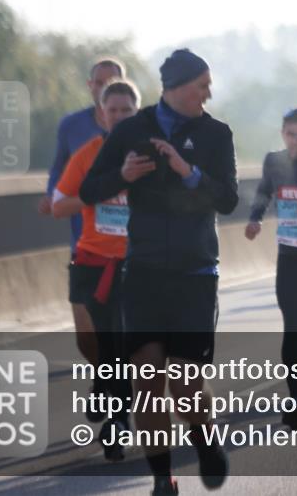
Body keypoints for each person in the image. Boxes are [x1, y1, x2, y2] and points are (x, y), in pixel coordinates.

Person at [80, 48, 237, 495]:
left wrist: (189, 172)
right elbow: (90, 190)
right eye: (201, 86)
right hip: (144, 272)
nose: (208, 94)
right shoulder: (132, 129)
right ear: (176, 87)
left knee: (186, 386)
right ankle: (162, 478)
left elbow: (229, 199)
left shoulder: (216, 133)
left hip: (195, 272)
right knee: (146, 380)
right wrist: (124, 175)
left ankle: (205, 439)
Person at [52, 79, 140, 461]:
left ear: (137, 113)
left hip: (138, 265)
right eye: (112, 110)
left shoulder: (152, 155)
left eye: (126, 110)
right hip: (93, 261)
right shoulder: (87, 154)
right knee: (102, 343)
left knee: (123, 343)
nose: (118, 116)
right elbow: (59, 205)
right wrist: (95, 194)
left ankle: (117, 417)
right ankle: (109, 398)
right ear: (101, 114)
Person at [40, 58, 126, 376]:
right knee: (87, 334)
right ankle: (106, 376)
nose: (105, 88)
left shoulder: (143, 133)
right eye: (99, 83)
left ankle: (114, 389)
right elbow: (59, 170)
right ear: (91, 87)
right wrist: (53, 195)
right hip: (85, 243)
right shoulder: (73, 127)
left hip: (133, 252)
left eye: (112, 81)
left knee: (124, 333)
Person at [246, 107, 297, 430]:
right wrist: (255, 218)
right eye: (291, 135)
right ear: (282, 134)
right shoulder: (274, 161)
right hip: (290, 257)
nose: (296, 141)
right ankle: (295, 401)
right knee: (293, 327)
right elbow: (264, 191)